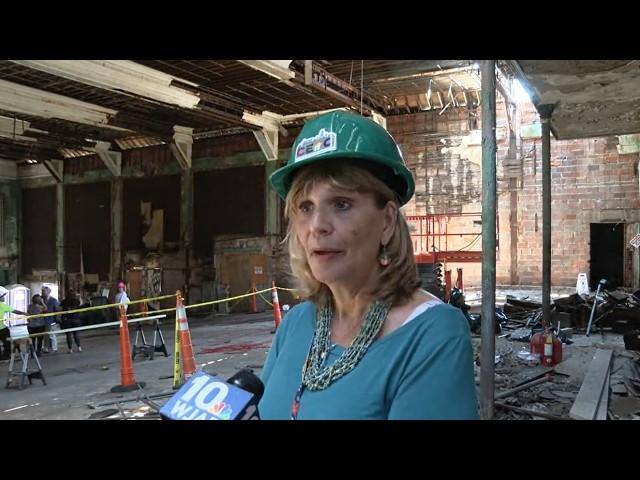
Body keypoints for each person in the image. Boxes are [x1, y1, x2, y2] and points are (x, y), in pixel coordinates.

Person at [258, 111, 478, 420]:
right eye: (306, 207)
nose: (317, 226)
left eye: (341, 204)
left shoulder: (431, 334)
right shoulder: (296, 323)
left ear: (386, 221)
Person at [0, 286, 27, 359]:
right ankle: (6, 355)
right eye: (2, 296)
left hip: (2, 326)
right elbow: (15, 311)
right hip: (1, 328)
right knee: (7, 341)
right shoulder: (2, 305)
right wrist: (24, 313)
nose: (4, 298)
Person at [60, 289, 83, 353]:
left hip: (67, 320)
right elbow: (81, 304)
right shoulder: (76, 301)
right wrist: (79, 297)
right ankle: (79, 347)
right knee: (76, 334)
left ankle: (70, 349)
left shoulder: (64, 301)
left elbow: (60, 309)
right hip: (75, 319)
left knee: (68, 335)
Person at [41, 286, 61, 353]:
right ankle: (45, 347)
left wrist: (56, 319)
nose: (43, 293)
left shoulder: (53, 300)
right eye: (42, 291)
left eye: (44, 291)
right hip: (42, 320)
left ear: (48, 292)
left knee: (52, 334)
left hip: (51, 320)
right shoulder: (40, 300)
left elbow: (57, 310)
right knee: (44, 334)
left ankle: (54, 348)